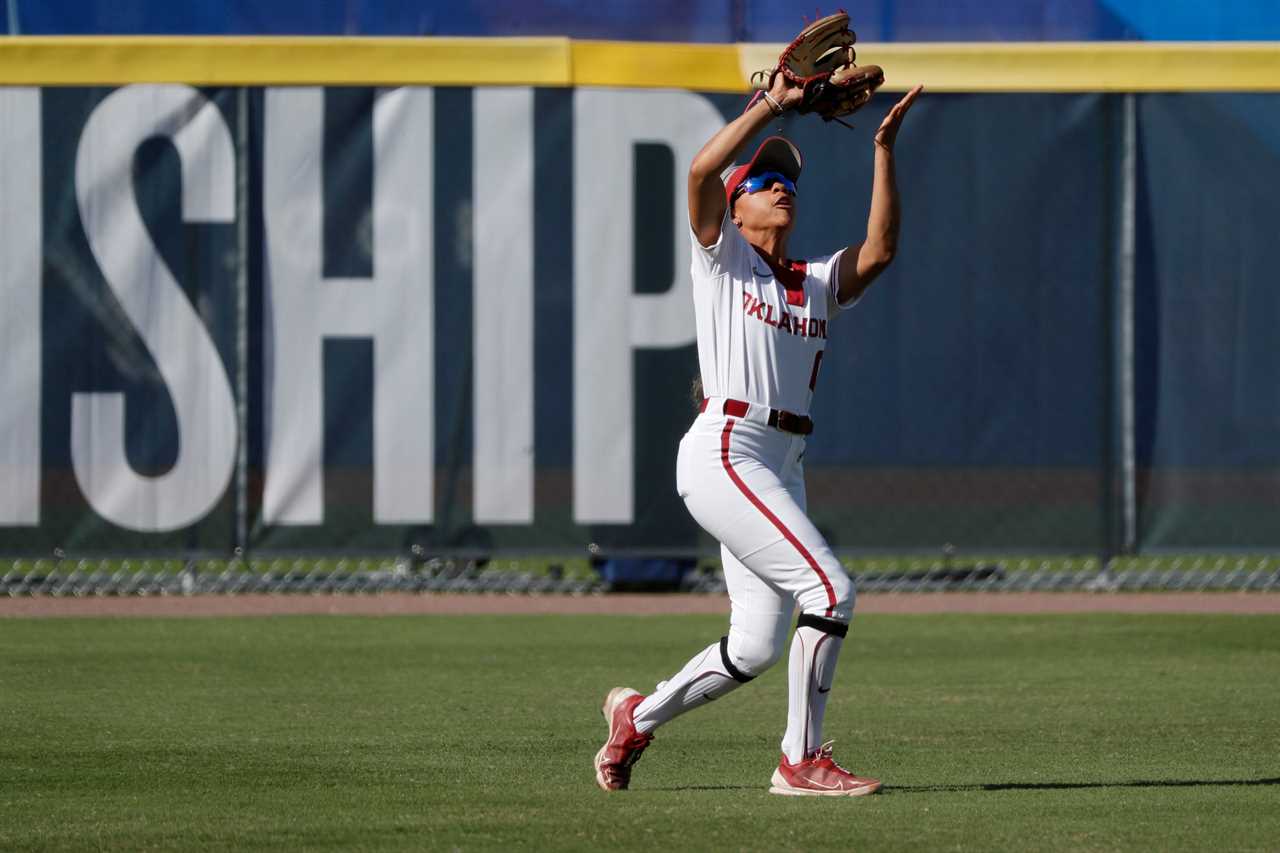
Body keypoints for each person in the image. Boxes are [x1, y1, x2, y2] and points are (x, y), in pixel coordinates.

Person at [593, 73, 923, 796]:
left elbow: (881, 248)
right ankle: (798, 761)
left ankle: (635, 717)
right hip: (726, 449)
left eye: (789, 181)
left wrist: (884, 151)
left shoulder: (812, 281)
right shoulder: (722, 259)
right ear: (735, 211)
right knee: (831, 591)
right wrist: (772, 105)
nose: (782, 187)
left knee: (753, 643)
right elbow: (700, 170)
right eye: (764, 181)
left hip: (781, 460)